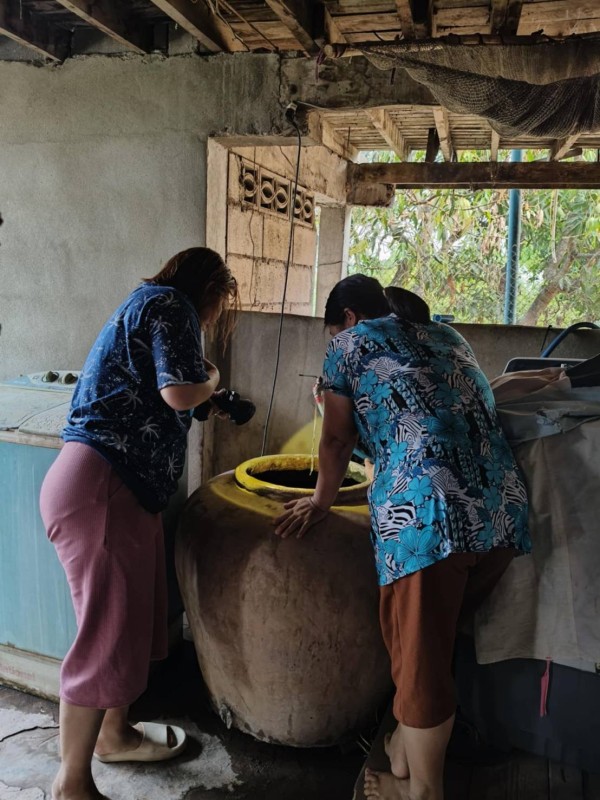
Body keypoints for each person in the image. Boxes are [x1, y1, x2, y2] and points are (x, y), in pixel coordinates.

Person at [275, 275, 530, 800]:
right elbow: (417, 420)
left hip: (430, 518)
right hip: (502, 511)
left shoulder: (347, 345)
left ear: (346, 318)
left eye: (331, 333)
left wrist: (322, 500)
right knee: (429, 644)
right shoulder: (445, 335)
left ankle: (422, 791)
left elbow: (339, 437)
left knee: (421, 664)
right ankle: (401, 754)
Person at [40, 247, 239, 800]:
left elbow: (163, 398)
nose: (213, 318)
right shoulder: (170, 306)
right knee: (103, 636)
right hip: (102, 488)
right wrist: (213, 377)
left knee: (129, 625)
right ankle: (70, 784)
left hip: (115, 489)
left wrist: (206, 401)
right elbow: (178, 389)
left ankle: (114, 733)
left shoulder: (143, 303)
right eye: (218, 306)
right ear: (210, 291)